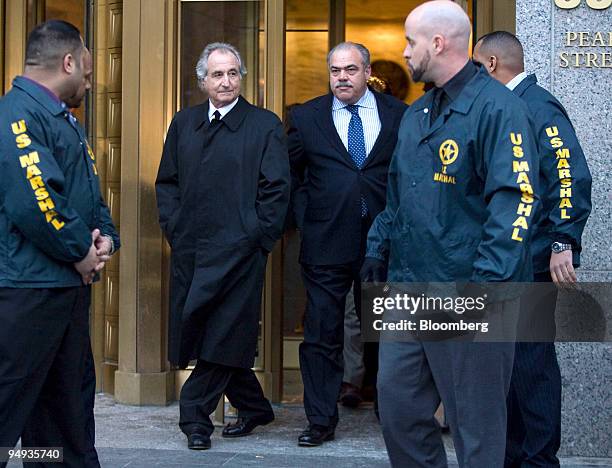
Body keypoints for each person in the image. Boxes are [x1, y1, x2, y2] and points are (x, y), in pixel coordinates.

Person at [362, 2, 539, 467]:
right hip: (409, 286)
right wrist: (377, 248)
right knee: (398, 409)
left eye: (409, 42)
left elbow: (516, 201)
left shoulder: (500, 109)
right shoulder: (418, 113)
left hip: (468, 288)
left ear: (437, 44)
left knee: (475, 428)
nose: (404, 52)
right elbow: (398, 194)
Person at [155, 42, 290, 451]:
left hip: (241, 252)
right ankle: (254, 406)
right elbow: (168, 184)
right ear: (202, 81)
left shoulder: (264, 124)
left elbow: (277, 189)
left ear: (241, 77)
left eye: (232, 73)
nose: (226, 81)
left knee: (224, 333)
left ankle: (194, 418)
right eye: (217, 74)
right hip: (192, 250)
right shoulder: (183, 123)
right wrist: (175, 229)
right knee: (206, 329)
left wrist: (258, 237)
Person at [0, 19, 119, 468]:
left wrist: (106, 238)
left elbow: (85, 192)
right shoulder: (18, 115)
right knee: (10, 405)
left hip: (63, 292)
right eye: (87, 74)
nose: (89, 83)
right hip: (28, 293)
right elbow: (37, 199)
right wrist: (80, 251)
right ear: (68, 62)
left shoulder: (61, 119)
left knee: (62, 411)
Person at [473, 31, 592, 467]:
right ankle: (512, 456)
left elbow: (570, 174)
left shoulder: (538, 105)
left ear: (489, 64)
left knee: (532, 367)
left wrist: (564, 240)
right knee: (508, 367)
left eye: (473, 65)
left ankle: (539, 460)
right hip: (506, 261)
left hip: (535, 259)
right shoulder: (503, 107)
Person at [287, 41, 407, 446]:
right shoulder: (306, 117)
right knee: (322, 331)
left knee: (386, 330)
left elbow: (407, 176)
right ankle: (320, 420)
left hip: (383, 241)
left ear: (367, 71)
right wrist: (306, 219)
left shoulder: (398, 116)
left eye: (351, 70)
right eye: (335, 70)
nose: (342, 77)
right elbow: (292, 175)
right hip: (325, 243)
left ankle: (390, 412)